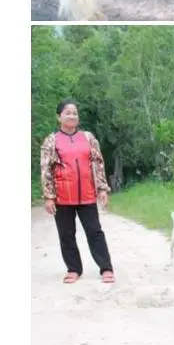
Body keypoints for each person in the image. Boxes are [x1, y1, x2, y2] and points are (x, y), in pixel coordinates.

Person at [40, 99, 115, 284]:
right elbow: (46, 169)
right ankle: (73, 269)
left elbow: (98, 163)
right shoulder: (52, 141)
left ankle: (106, 268)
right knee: (66, 234)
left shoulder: (88, 138)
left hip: (87, 195)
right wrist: (49, 196)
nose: (72, 116)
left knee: (95, 231)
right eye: (67, 113)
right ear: (59, 117)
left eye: (74, 113)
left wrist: (102, 188)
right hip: (62, 197)